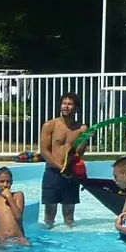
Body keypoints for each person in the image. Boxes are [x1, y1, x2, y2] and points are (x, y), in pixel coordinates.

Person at [39, 93, 88, 228]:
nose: (66, 106)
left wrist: (85, 137)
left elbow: (79, 153)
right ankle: (48, 236)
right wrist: (61, 167)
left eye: (70, 104)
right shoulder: (50, 125)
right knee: (49, 214)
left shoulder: (80, 129)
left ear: (76, 108)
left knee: (69, 216)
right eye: (64, 103)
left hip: (70, 173)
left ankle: (69, 238)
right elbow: (44, 151)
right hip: (53, 172)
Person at [0, 168, 31, 246]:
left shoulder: (18, 195)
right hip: (1, 239)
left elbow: (18, 216)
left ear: (12, 182)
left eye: (8, 182)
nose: (5, 185)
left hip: (18, 238)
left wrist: (9, 197)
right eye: (2, 181)